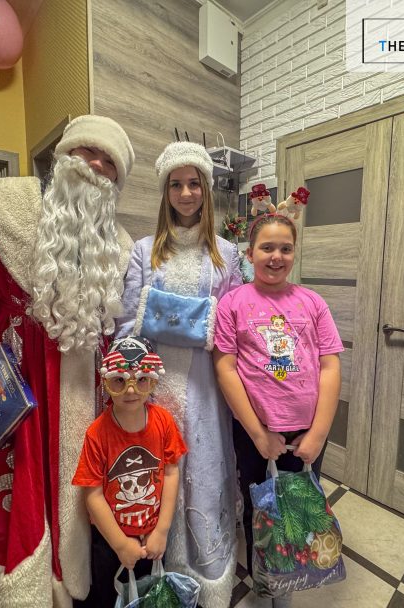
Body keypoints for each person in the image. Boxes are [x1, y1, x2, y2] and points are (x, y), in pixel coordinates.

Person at [0, 115, 135, 607]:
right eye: (87, 152)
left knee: (88, 492)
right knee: (19, 498)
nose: (95, 166)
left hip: (92, 396)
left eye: (108, 163)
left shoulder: (121, 247)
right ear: (63, 156)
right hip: (21, 386)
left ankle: (78, 585)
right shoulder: (4, 212)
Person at [117, 141, 242, 608]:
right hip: (156, 385)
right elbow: (126, 322)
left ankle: (207, 579)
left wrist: (163, 314)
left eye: (194, 184)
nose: (186, 193)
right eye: (176, 184)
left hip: (207, 387)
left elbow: (233, 323)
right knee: (157, 476)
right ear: (165, 191)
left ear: (206, 190)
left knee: (204, 475)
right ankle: (160, 576)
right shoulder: (143, 251)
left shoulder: (226, 254)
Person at [212, 213, 343, 608]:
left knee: (299, 507)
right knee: (260, 509)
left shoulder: (313, 303)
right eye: (267, 247)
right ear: (250, 254)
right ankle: (266, 581)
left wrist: (318, 434)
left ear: (294, 253)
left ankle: (291, 583)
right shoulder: (233, 303)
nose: (276, 256)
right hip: (255, 431)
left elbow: (330, 366)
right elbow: (225, 367)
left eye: (285, 248)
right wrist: (258, 434)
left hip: (305, 431)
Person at [72, 336, 187, 607]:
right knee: (109, 599)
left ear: (153, 381)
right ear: (106, 382)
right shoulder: (97, 434)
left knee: (152, 598)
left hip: (153, 538)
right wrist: (120, 544)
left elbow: (171, 474)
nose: (131, 390)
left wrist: (162, 530)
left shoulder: (163, 422)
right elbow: (93, 495)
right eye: (120, 381)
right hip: (110, 542)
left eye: (142, 380)